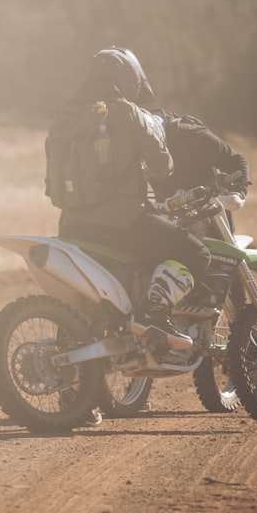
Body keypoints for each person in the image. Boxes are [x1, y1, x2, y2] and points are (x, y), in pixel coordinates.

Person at [56, 47, 211, 352]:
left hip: (71, 227)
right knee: (197, 254)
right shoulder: (127, 111)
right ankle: (152, 314)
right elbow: (164, 168)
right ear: (128, 79)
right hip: (124, 225)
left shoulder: (64, 116)